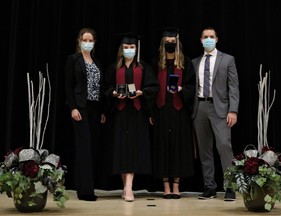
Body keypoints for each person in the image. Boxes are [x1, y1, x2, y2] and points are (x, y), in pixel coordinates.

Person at [104, 33, 159, 202]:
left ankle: (128, 187)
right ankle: (125, 186)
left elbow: (153, 86)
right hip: (119, 113)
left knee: (133, 149)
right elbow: (105, 88)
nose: (129, 50)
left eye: (132, 47)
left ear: (136, 49)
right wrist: (113, 93)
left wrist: (142, 93)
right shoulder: (114, 67)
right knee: (121, 150)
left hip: (137, 113)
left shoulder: (143, 67)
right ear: (122, 49)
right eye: (126, 47)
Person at [191, 27, 239, 201]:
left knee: (224, 147)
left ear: (217, 39)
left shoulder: (228, 59)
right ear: (201, 40)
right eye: (205, 37)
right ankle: (209, 187)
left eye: (211, 37)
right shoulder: (195, 62)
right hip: (200, 108)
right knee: (205, 151)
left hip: (221, 109)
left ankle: (230, 187)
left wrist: (233, 110)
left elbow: (233, 87)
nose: (208, 39)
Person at [151, 28, 196, 199]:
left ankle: (176, 185)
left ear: (177, 43)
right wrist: (151, 111)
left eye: (172, 41)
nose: (170, 44)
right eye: (167, 41)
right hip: (161, 110)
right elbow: (151, 87)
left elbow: (192, 86)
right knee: (162, 147)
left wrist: (181, 89)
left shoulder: (185, 62)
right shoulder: (156, 62)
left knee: (178, 147)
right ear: (163, 44)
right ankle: (165, 185)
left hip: (179, 110)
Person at [65, 27, 106, 201]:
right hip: (80, 108)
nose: (87, 43)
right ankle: (84, 191)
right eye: (85, 40)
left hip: (95, 108)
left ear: (94, 43)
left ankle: (89, 186)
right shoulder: (73, 60)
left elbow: (101, 88)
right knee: (83, 148)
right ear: (79, 41)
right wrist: (73, 107)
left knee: (92, 148)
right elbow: (68, 86)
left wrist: (103, 111)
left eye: (91, 41)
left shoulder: (97, 62)